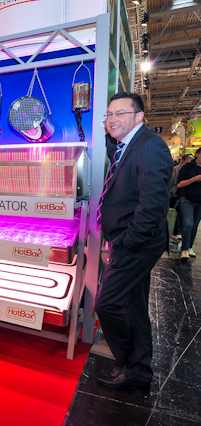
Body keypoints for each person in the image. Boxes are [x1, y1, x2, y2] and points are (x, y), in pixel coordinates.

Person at [95, 92, 172, 392]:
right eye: (109, 114)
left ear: (139, 117)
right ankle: (138, 371)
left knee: (106, 304)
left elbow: (152, 207)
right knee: (133, 306)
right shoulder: (125, 145)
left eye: (120, 113)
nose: (112, 119)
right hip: (126, 239)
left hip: (137, 243)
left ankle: (129, 363)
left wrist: (124, 243)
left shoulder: (150, 146)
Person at [176, 147, 201, 260]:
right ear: (197, 154)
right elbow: (179, 184)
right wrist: (195, 179)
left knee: (195, 225)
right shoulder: (188, 167)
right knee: (188, 224)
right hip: (187, 199)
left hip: (199, 201)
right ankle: (184, 249)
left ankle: (190, 247)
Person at [171, 154, 193, 240]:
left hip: (185, 194)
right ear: (183, 160)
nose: (190, 160)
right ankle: (175, 232)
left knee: (181, 215)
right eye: (189, 158)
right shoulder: (176, 169)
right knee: (177, 214)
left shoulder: (191, 169)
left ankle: (178, 232)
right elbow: (172, 181)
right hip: (176, 193)